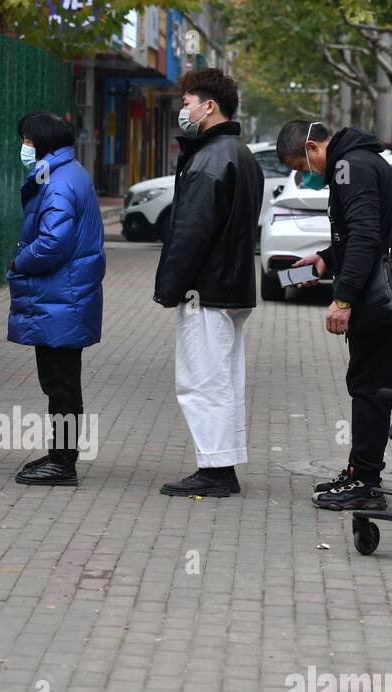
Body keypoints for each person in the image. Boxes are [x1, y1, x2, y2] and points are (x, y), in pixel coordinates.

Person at [278, 119, 392, 510]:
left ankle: (367, 483)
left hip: (386, 289)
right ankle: (360, 472)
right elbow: (359, 234)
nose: (304, 174)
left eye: (299, 166)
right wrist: (324, 260)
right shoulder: (356, 161)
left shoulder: (350, 167)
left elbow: (365, 237)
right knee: (366, 381)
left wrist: (343, 299)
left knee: (370, 385)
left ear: (312, 146)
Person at [153, 68, 261, 497]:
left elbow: (191, 231)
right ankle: (222, 463)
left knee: (201, 380)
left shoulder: (210, 158)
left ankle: (215, 470)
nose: (184, 109)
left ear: (208, 106)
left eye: (186, 102)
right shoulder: (241, 153)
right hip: (232, 286)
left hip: (206, 288)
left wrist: (169, 286)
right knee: (225, 378)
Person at [7, 112, 105, 486]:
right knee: (59, 382)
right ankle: (58, 456)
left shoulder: (58, 183)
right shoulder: (65, 172)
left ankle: (63, 464)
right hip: (64, 297)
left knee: (61, 384)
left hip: (61, 297)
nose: (24, 147)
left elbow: (53, 243)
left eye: (28, 141)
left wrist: (19, 261)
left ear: (43, 142)